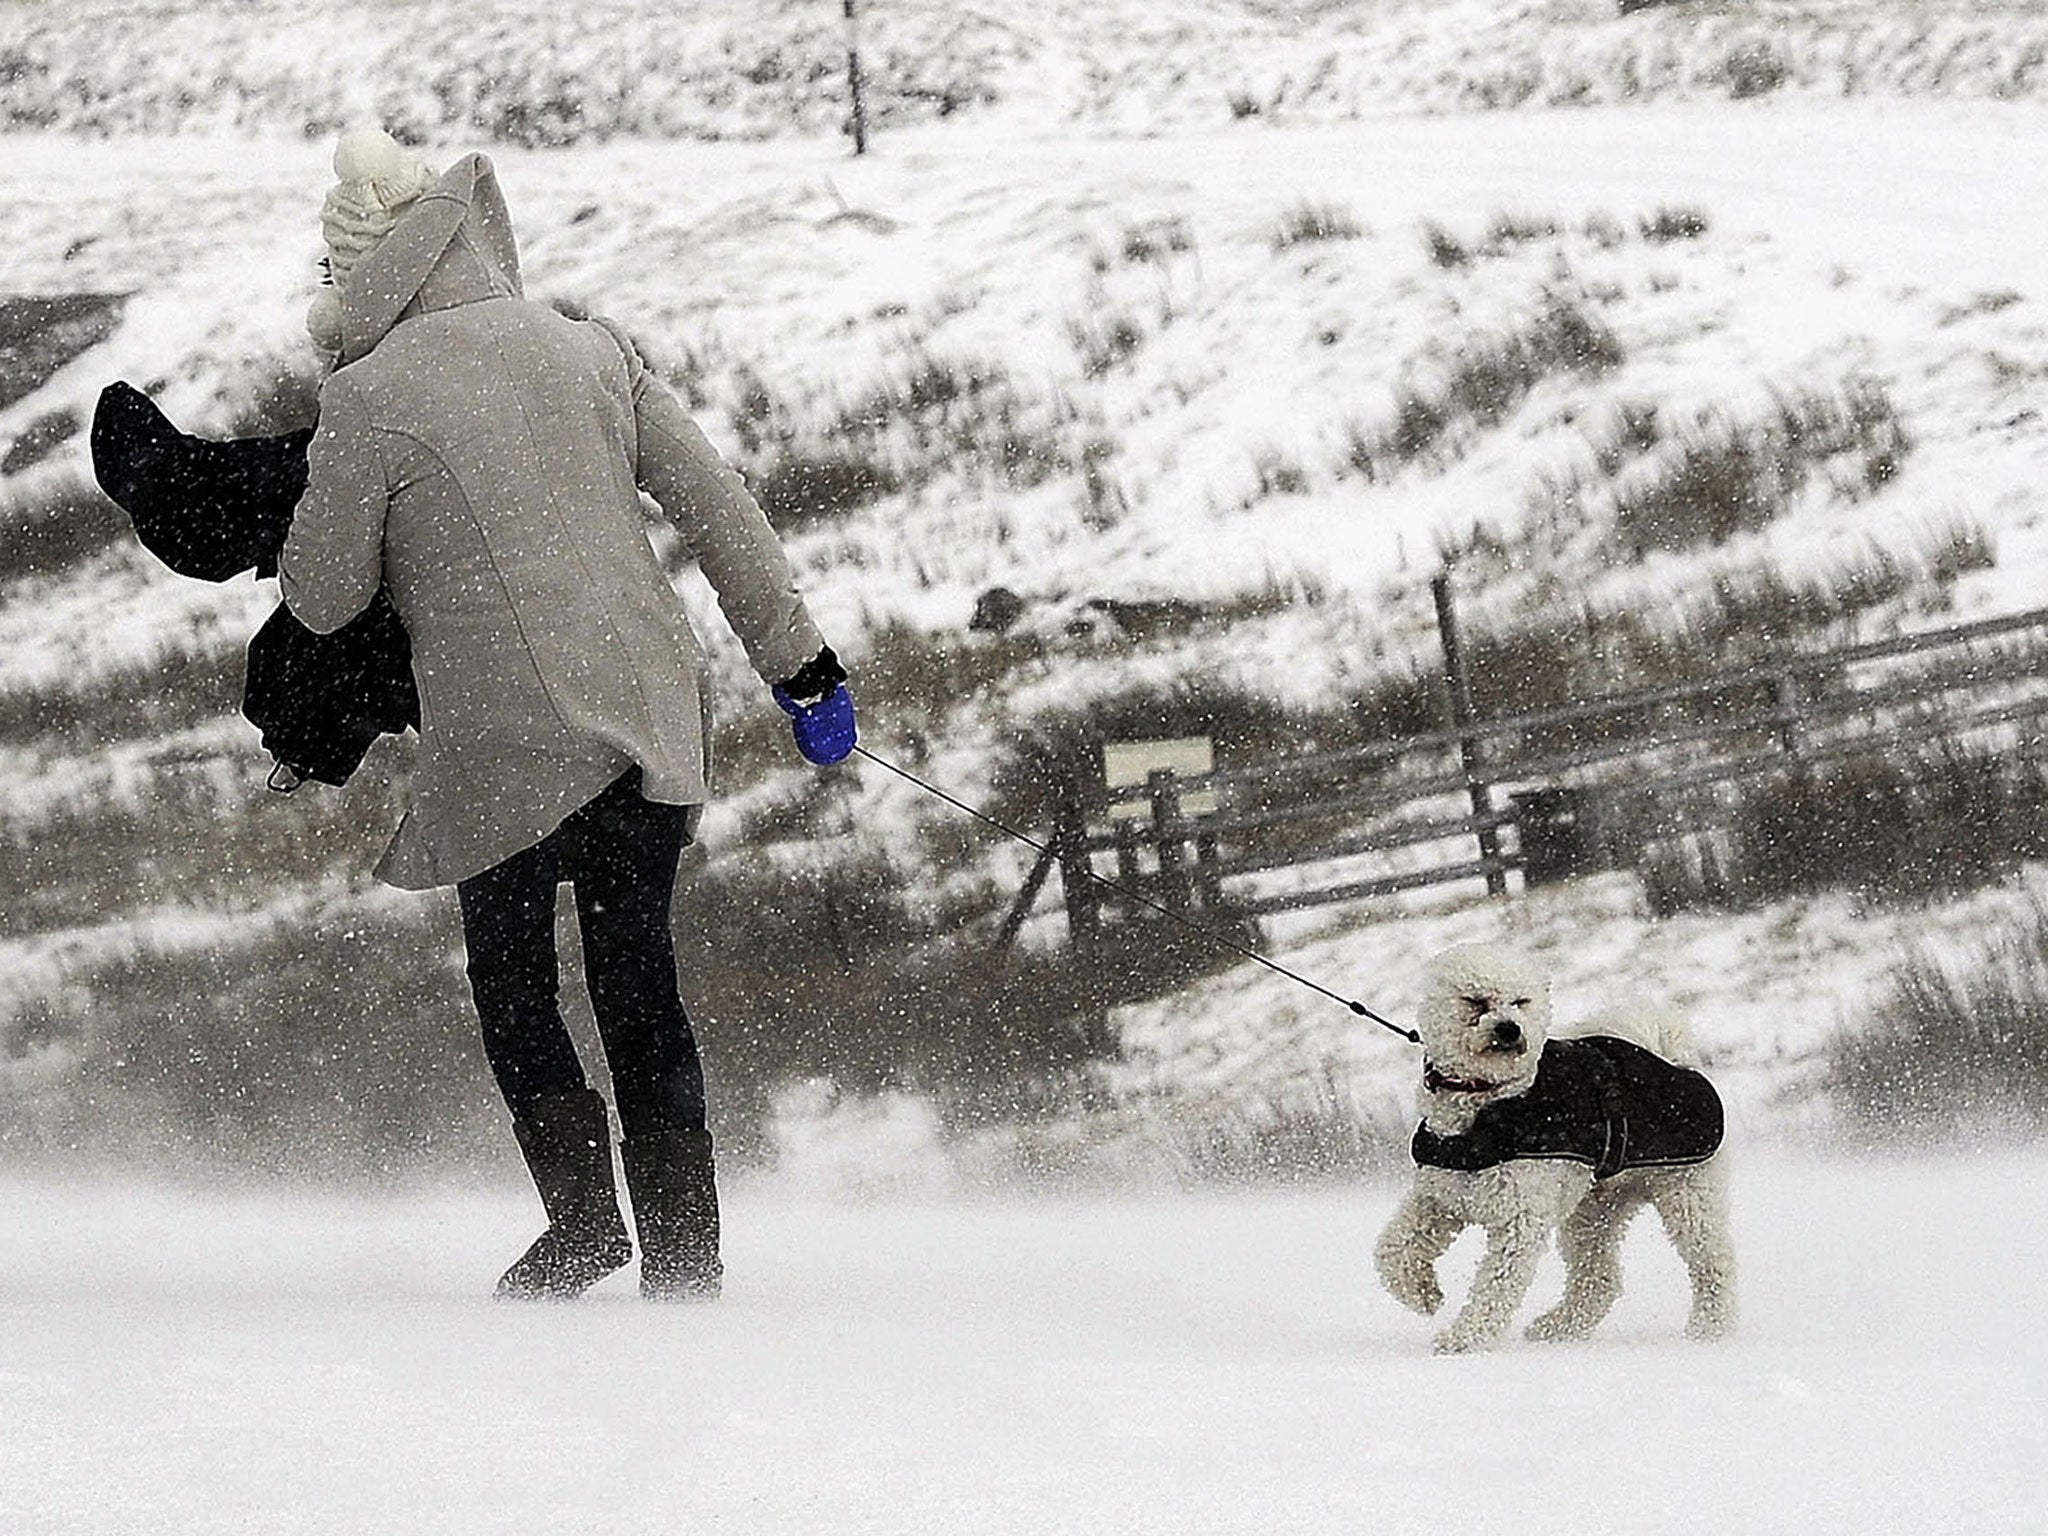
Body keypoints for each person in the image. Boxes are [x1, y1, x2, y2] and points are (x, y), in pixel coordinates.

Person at [279, 128, 855, 1302]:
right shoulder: (589, 350)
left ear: (354, 274)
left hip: (499, 740)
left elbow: (322, 596)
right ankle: (688, 1268)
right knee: (639, 982)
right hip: (643, 712)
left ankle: (583, 1224)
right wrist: (803, 671)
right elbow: (720, 510)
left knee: (515, 985)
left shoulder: (369, 395)